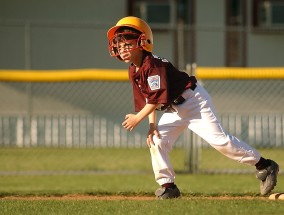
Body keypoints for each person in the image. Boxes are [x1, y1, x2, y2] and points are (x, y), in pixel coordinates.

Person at [107, 16, 279, 199]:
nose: (122, 49)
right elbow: (149, 98)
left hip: (194, 101)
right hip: (173, 108)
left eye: (127, 44)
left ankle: (265, 165)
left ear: (143, 41)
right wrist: (151, 126)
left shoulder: (153, 64)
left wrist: (137, 118)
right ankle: (168, 186)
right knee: (157, 141)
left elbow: (156, 99)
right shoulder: (134, 70)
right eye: (119, 45)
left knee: (220, 142)